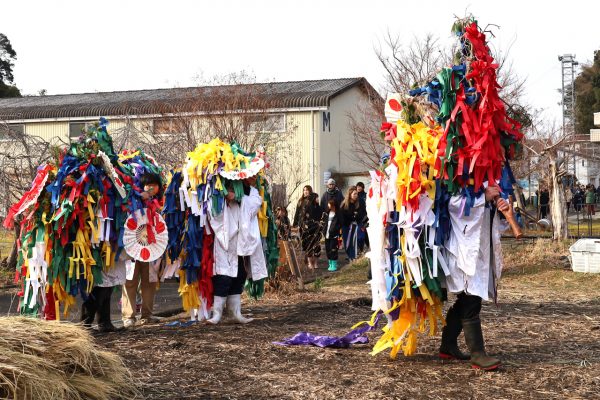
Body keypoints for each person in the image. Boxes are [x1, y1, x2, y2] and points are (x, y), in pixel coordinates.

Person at [440, 185, 509, 371]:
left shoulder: (492, 179)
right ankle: (478, 354)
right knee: (471, 300)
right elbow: (453, 205)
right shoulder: (459, 175)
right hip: (464, 248)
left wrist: (502, 209)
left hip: (482, 250)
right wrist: (483, 198)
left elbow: (495, 219)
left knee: (467, 299)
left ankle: (447, 345)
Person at [121, 172, 163, 328]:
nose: (151, 188)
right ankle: (128, 316)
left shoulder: (160, 203)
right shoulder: (132, 200)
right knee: (130, 280)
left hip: (152, 247)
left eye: (154, 184)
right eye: (148, 184)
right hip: (133, 247)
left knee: (150, 281)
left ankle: (147, 314)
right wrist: (139, 199)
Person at [81, 257, 126, 332]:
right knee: (100, 289)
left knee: (107, 289)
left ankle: (105, 323)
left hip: (111, 256)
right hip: (100, 255)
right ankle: (85, 324)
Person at [293, 185, 323, 270]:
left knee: (316, 244)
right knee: (307, 244)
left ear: (310, 191)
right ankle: (310, 262)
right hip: (304, 226)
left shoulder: (313, 200)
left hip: (314, 226)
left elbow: (318, 212)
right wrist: (295, 224)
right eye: (304, 190)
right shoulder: (300, 201)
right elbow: (297, 213)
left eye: (307, 190)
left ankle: (315, 262)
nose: (305, 191)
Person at [340, 186, 366, 262]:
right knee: (347, 242)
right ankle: (350, 256)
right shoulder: (345, 203)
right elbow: (342, 215)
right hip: (346, 225)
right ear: (350, 194)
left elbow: (362, 213)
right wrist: (351, 217)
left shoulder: (359, 202)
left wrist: (356, 217)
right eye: (354, 194)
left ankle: (354, 256)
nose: (356, 196)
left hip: (356, 224)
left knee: (355, 240)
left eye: (356, 194)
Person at [322, 199, 343, 272]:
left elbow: (340, 223)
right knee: (328, 249)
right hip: (327, 235)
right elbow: (324, 223)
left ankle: (334, 264)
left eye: (329, 204)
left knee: (333, 249)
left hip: (334, 235)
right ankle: (330, 263)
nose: (328, 205)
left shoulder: (338, 214)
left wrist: (335, 230)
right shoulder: (327, 213)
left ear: (333, 205)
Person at [356, 182, 369, 253]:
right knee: (359, 234)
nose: (359, 188)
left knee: (366, 232)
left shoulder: (365, 195)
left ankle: (368, 246)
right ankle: (360, 250)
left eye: (360, 186)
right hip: (358, 217)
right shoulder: (355, 196)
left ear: (363, 187)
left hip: (365, 216)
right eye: (358, 186)